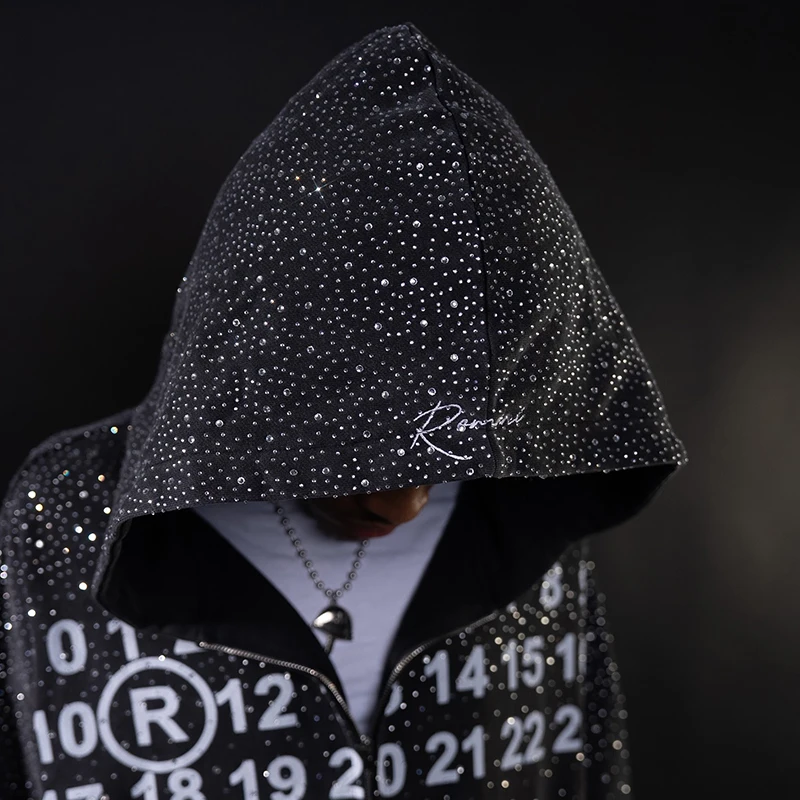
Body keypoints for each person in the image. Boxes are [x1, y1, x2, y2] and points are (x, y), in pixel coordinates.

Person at [0, 21, 686, 800]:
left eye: (449, 446)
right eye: (368, 441)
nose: (407, 501)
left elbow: (584, 768)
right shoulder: (65, 515)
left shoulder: (529, 513)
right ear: (258, 358)